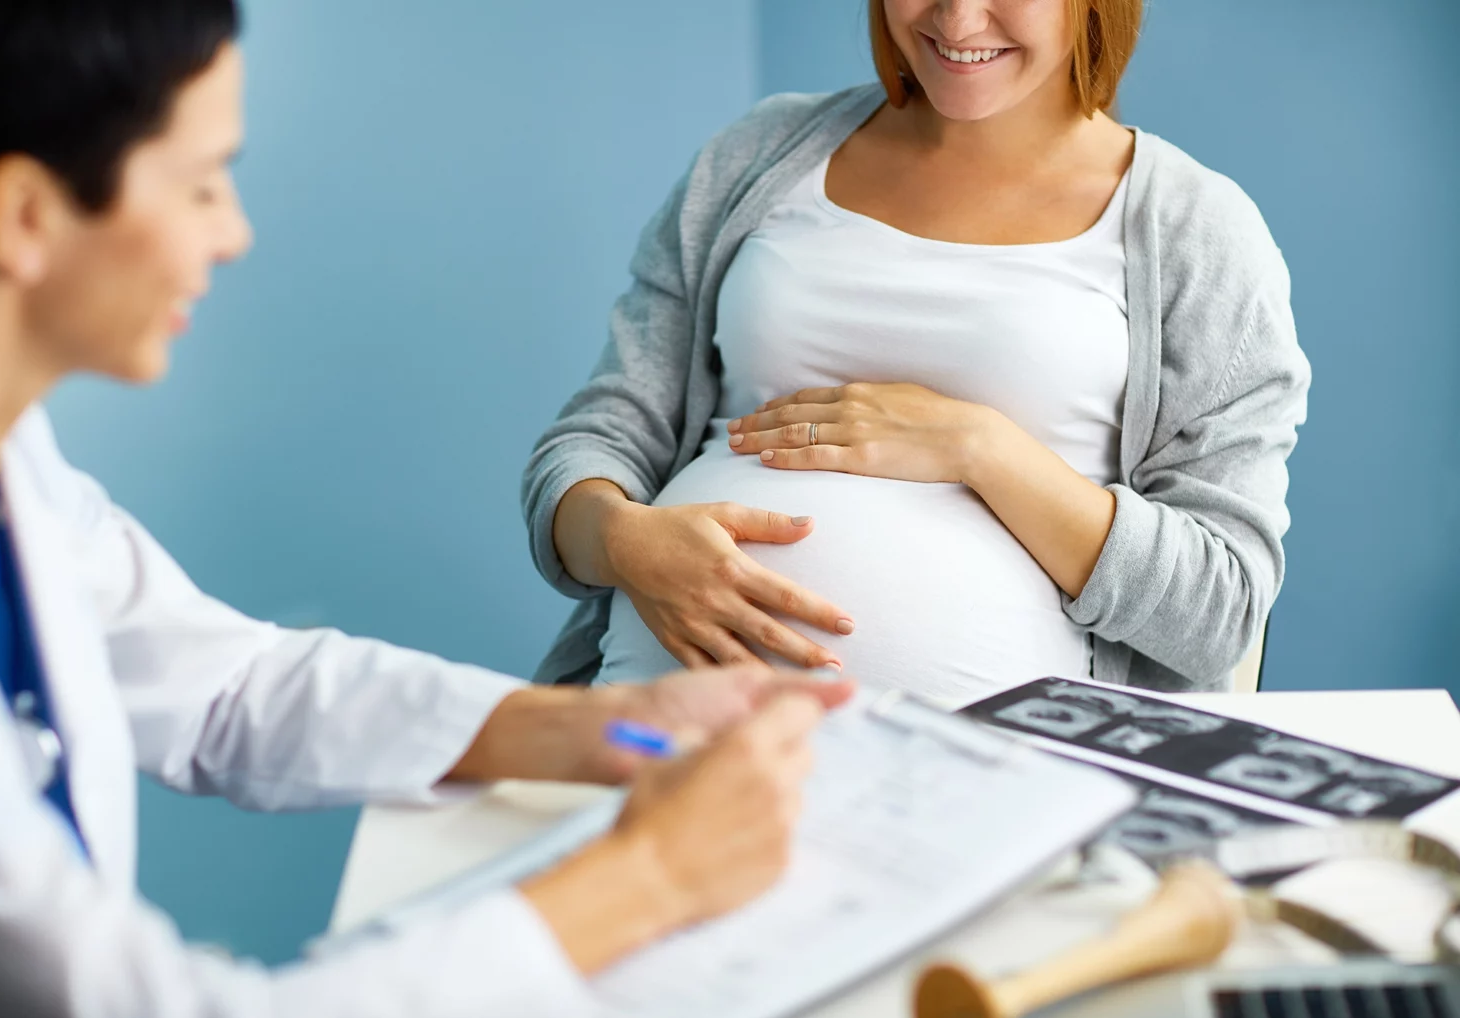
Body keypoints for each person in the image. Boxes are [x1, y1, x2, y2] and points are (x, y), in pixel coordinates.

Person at [0, 3, 855, 1018]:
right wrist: (651, 878)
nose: (233, 232)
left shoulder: (6, 475)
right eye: (199, 183)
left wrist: (605, 727)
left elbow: (228, 687)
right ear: (21, 216)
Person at [525, 0, 1312, 702]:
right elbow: (601, 437)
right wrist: (624, 539)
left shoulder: (1198, 231)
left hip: (999, 802)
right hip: (647, 760)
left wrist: (980, 449)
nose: (959, 20)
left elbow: (1219, 612)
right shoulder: (758, 156)